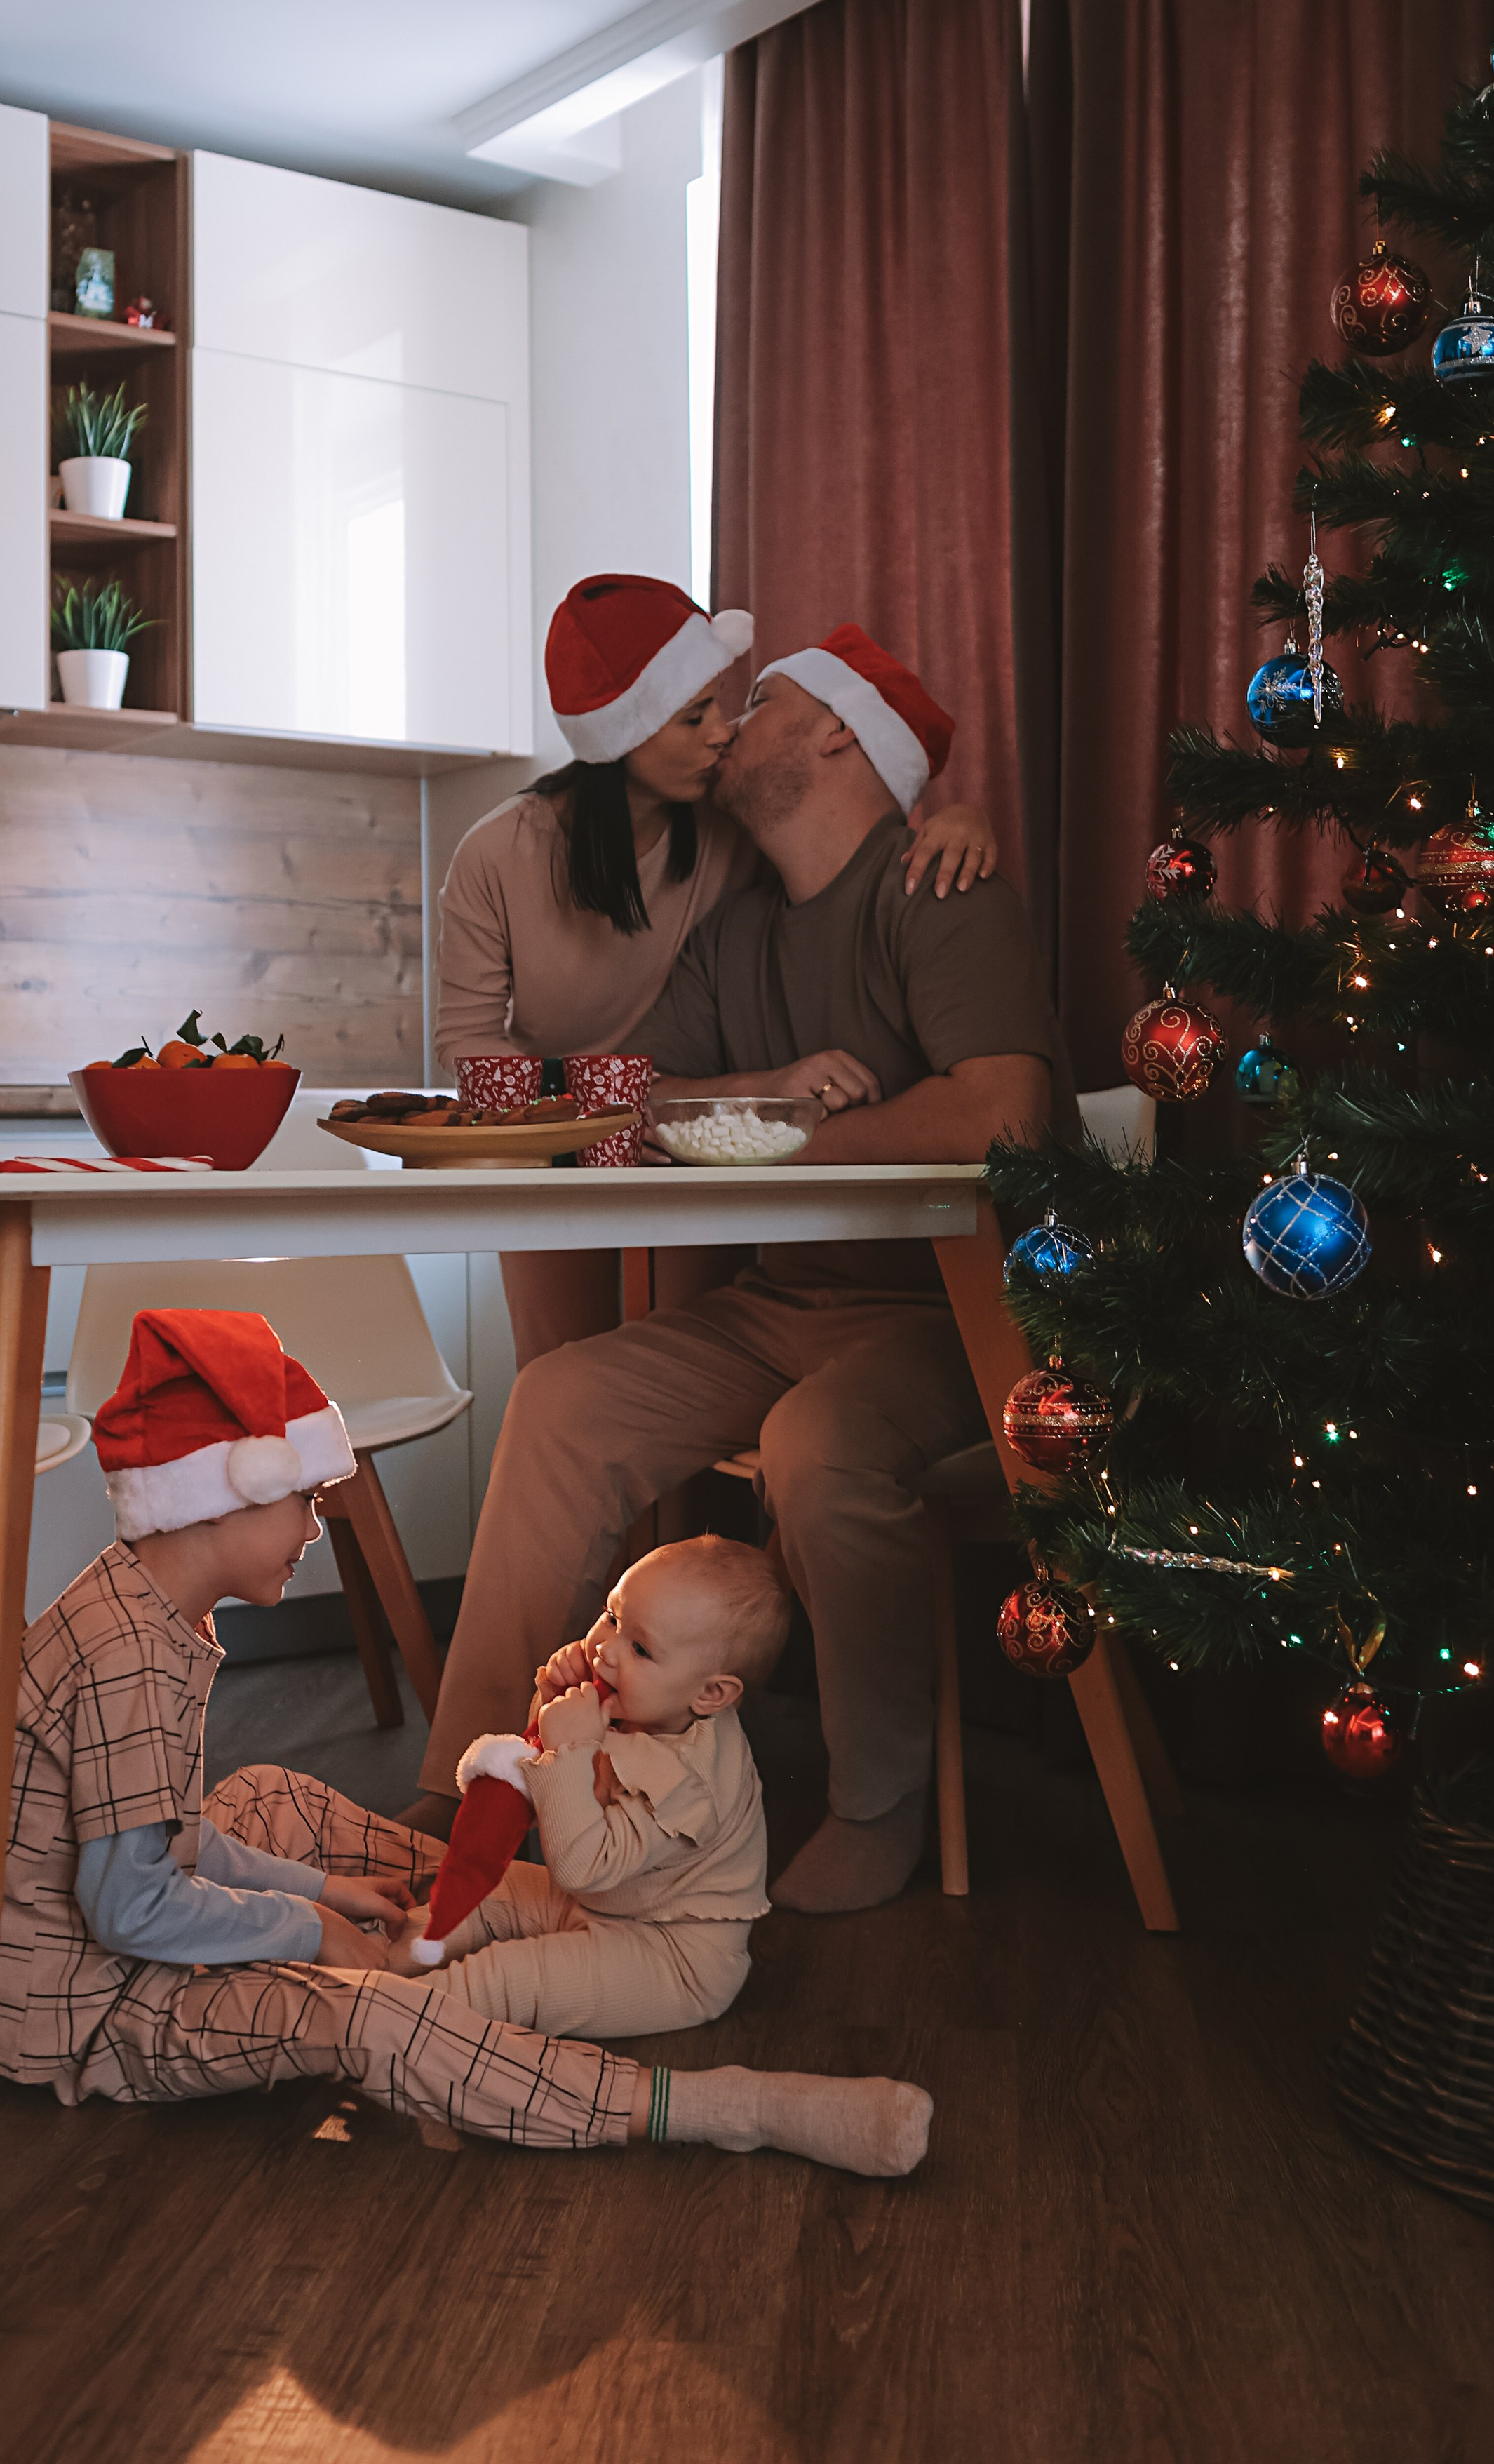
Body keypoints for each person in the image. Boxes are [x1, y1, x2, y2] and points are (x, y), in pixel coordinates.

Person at [405, 624, 1077, 1916]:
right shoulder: (735, 932)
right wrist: (756, 1099)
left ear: (837, 737)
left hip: (950, 1319)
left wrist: (783, 1133)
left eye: (757, 703)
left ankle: (877, 1800)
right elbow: (637, 1103)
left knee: (817, 1439)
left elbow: (1003, 1118)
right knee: (557, 1402)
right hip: (776, 1308)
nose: (728, 725)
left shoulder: (940, 889)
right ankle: (467, 1782)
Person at [0, 1304, 932, 2176]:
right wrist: (314, 1932)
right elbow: (127, 1909)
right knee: (383, 2017)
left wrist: (329, 1892)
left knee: (268, 1799)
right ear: (232, 1493)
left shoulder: (142, 1608)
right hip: (96, 2012)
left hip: (115, 1935)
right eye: (307, 1499)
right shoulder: (131, 1661)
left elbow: (159, 1842)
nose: (316, 1526)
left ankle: (468, 1911)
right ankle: (723, 2109)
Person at [435, 573, 999, 1365]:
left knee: (674, 1370)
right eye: (694, 715)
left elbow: (851, 836)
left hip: (694, 1147)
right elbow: (466, 1047)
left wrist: (958, 815)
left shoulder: (730, 830)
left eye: (723, 707)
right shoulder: (496, 855)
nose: (723, 734)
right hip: (553, 1146)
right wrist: (590, 1125)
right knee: (559, 1373)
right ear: (625, 734)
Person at [390, 1535, 788, 2039]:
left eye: (640, 1648)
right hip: (608, 1904)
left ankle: (374, 2016)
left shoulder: (690, 1781)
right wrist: (551, 1704)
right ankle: (370, 1963)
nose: (606, 1650)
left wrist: (569, 1750)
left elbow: (582, 1863)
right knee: (491, 1892)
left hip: (670, 1955)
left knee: (511, 1977)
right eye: (612, 1617)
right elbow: (547, 1790)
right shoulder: (649, 1705)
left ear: (711, 1693)